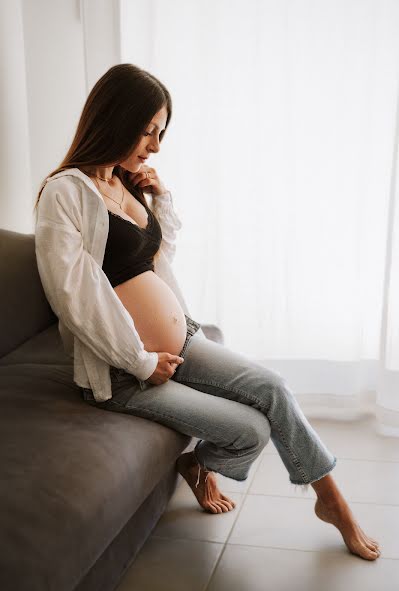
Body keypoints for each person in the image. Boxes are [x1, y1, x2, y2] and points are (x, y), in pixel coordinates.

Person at [34, 63, 380, 561]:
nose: (154, 146)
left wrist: (159, 200)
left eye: (160, 133)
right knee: (249, 431)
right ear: (116, 118)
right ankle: (198, 468)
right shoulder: (64, 193)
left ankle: (331, 501)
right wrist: (140, 361)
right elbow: (73, 296)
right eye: (148, 130)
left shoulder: (126, 184)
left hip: (184, 341)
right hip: (122, 372)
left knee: (274, 389)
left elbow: (155, 261)